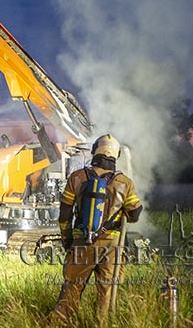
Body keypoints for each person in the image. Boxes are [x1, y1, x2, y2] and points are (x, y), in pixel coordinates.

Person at [51, 133, 143, 324]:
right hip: (112, 247)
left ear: (94, 151)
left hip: (82, 243)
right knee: (106, 294)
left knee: (71, 289)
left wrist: (67, 240)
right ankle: (102, 323)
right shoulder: (125, 183)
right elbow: (134, 216)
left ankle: (59, 323)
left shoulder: (77, 177)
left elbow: (65, 214)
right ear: (115, 155)